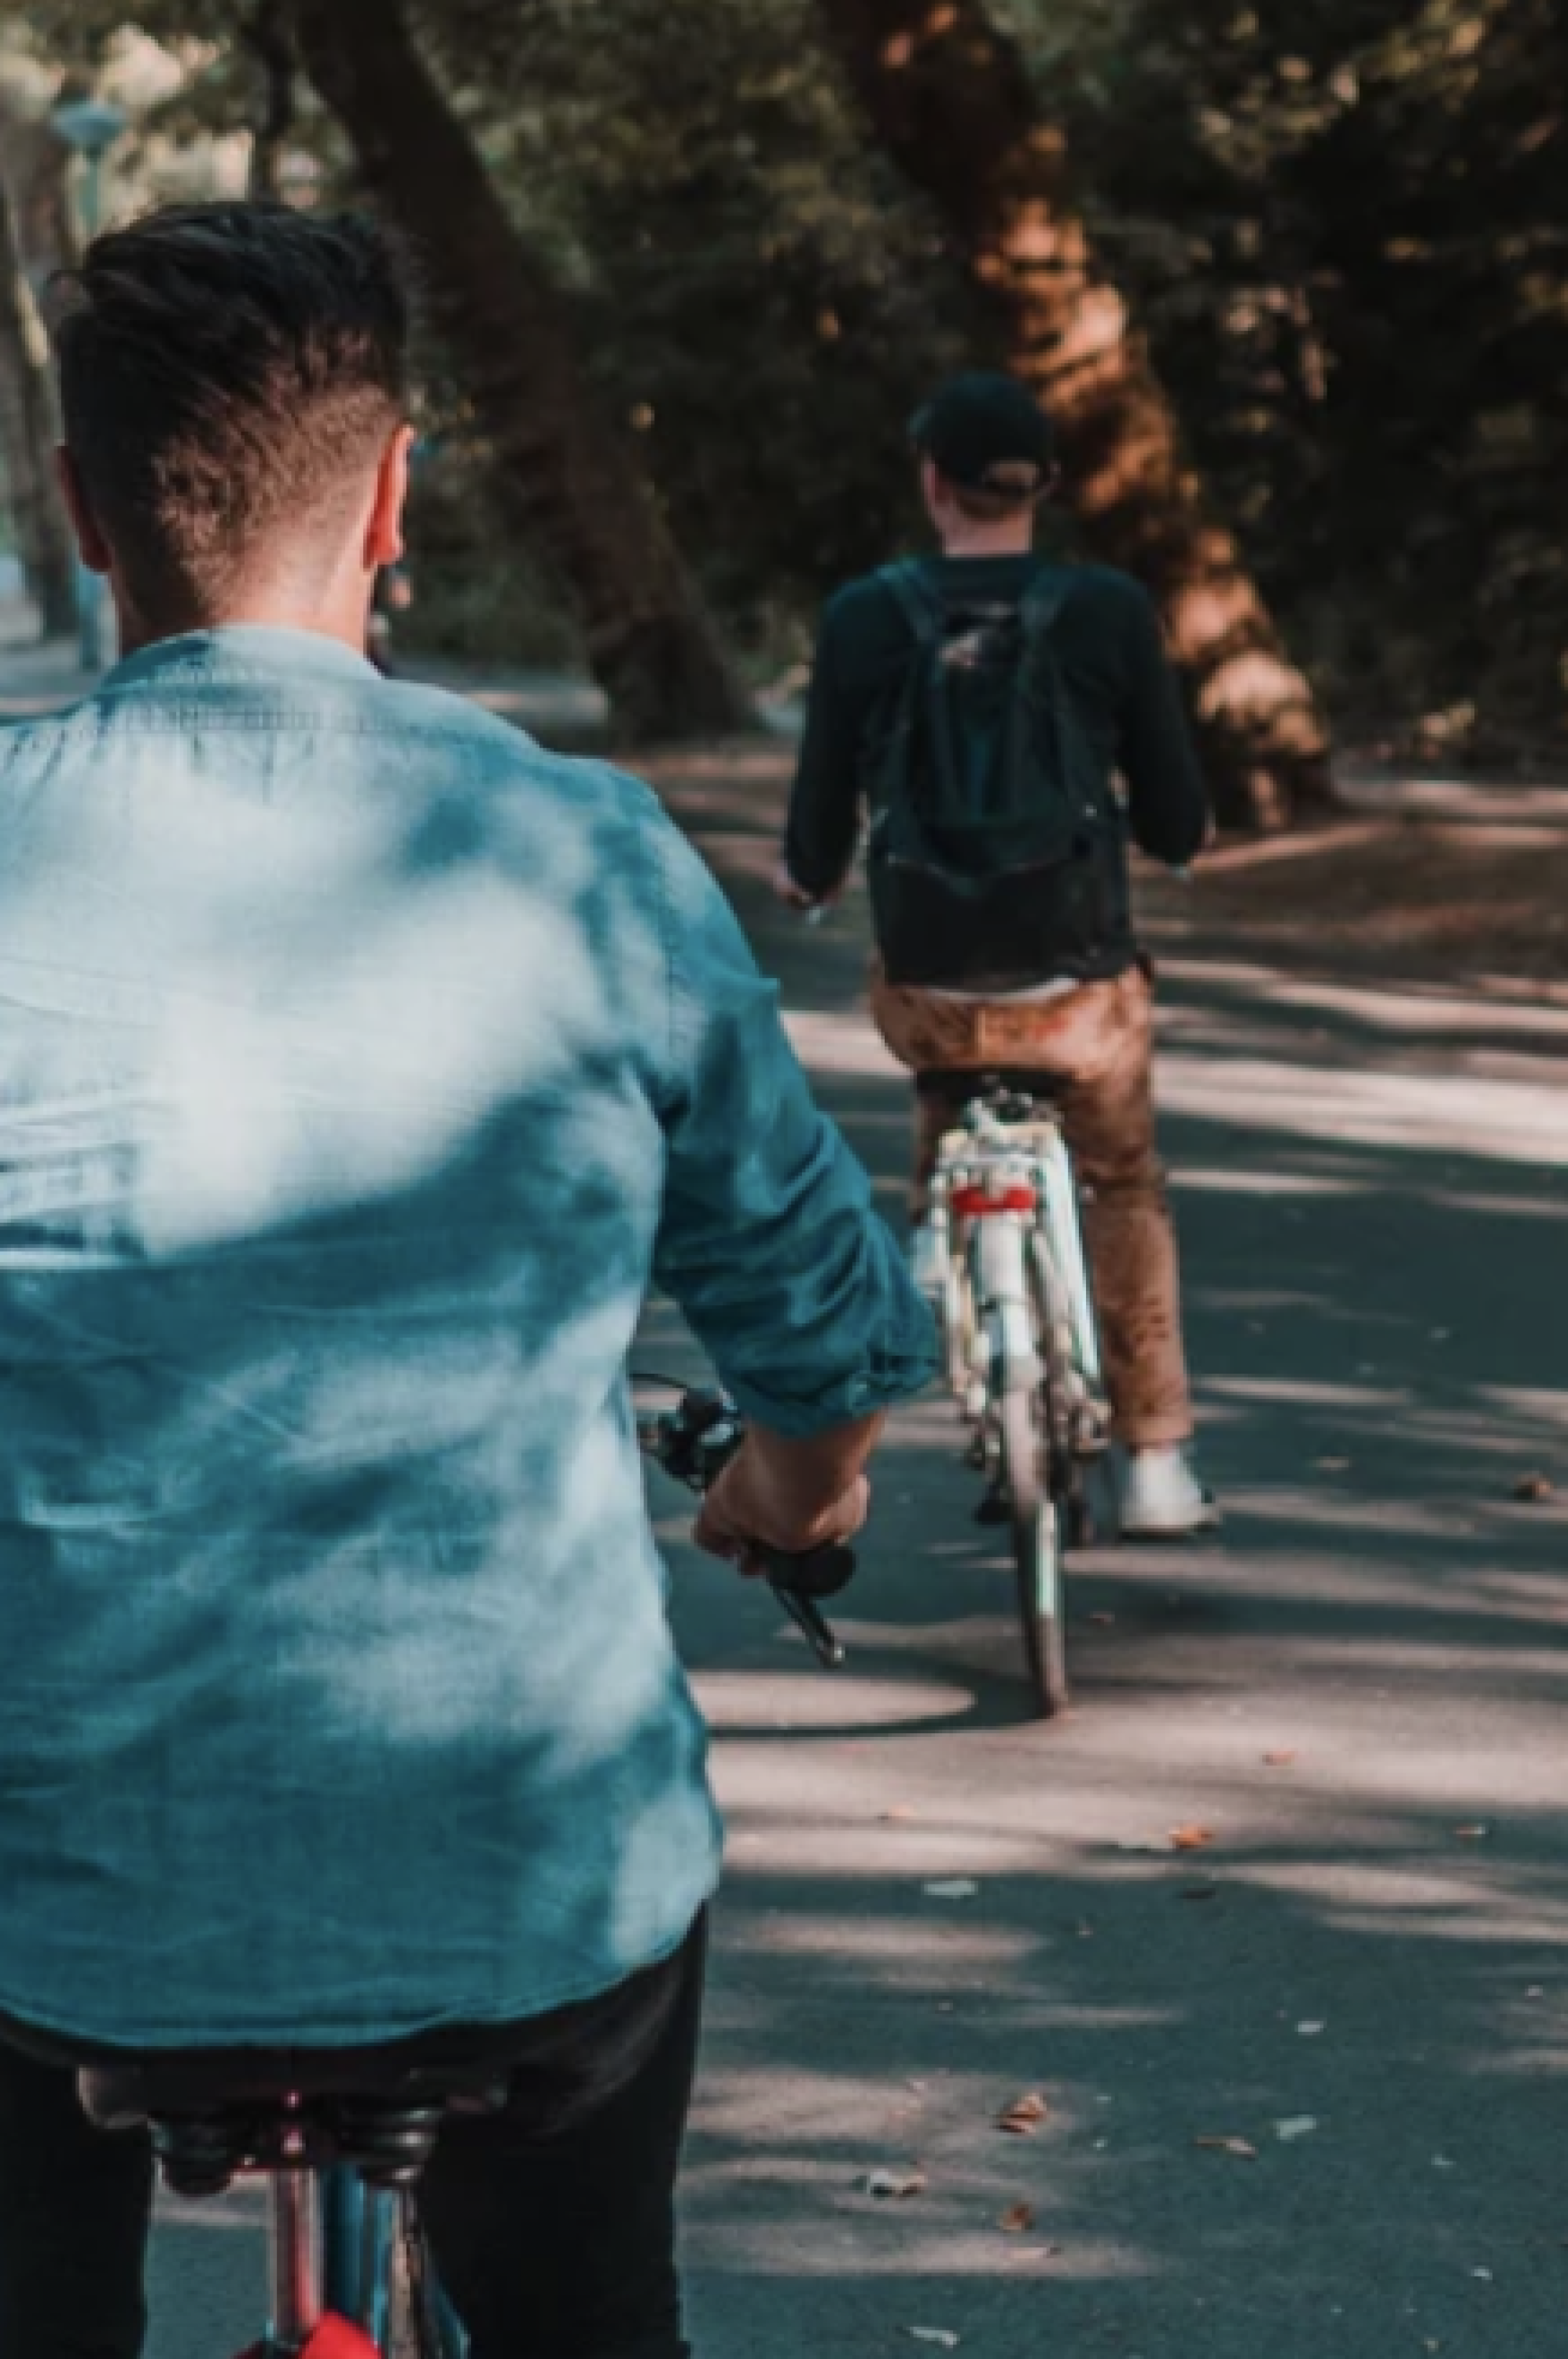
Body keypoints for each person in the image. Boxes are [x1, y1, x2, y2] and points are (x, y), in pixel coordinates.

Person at [0, 202, 937, 2359]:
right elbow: (823, 1330)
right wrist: (796, 1494)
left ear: (84, 509)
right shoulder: (585, 856)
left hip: (54, 1901)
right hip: (526, 1894)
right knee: (591, 2312)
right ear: (397, 492)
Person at [779, 371, 1216, 1540]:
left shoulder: (867, 616)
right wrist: (1180, 842)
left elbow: (818, 824)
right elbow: (1175, 815)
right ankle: (1156, 1460)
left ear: (935, 482)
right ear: (1046, 487)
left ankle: (947, 1251)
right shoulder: (1108, 611)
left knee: (950, 1076)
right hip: (1078, 989)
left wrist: (809, 878)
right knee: (1120, 1180)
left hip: (929, 986)